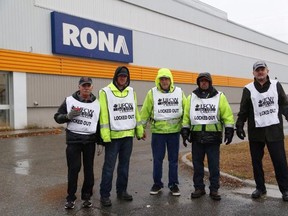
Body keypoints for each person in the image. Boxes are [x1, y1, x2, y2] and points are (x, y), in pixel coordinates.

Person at [236, 60, 288, 201]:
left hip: (274, 131)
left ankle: (285, 189)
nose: (260, 72)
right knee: (256, 162)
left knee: (280, 161)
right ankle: (260, 188)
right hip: (256, 133)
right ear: (253, 72)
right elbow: (243, 110)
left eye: (262, 69)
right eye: (257, 70)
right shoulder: (248, 89)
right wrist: (239, 125)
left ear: (267, 71)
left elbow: (284, 104)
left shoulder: (276, 85)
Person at [181, 72, 234, 201]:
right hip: (197, 138)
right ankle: (199, 188)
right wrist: (185, 130)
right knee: (197, 165)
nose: (204, 83)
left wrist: (229, 130)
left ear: (210, 82)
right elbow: (187, 116)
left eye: (206, 81)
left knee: (214, 166)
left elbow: (227, 114)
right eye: (201, 81)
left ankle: (214, 189)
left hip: (213, 138)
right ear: (198, 83)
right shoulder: (191, 97)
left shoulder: (219, 96)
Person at [99, 66, 144, 207]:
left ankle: (122, 191)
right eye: (120, 76)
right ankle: (104, 195)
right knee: (109, 167)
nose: (123, 79)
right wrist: (105, 136)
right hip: (113, 137)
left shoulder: (131, 92)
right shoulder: (105, 92)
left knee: (124, 166)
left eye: (125, 76)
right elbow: (104, 115)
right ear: (116, 77)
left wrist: (139, 130)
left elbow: (135, 112)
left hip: (128, 136)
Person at [54, 77, 102, 209]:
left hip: (90, 141)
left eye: (88, 85)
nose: (86, 88)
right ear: (79, 87)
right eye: (83, 85)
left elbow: (98, 124)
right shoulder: (69, 100)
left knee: (89, 171)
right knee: (74, 170)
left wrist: (100, 142)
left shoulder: (97, 103)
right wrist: (67, 116)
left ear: (92, 87)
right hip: (73, 140)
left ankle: (86, 197)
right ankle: (70, 198)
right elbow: (57, 117)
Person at [141, 68, 186, 196]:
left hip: (174, 132)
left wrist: (186, 128)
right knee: (157, 159)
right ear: (158, 80)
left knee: (173, 160)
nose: (164, 81)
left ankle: (173, 185)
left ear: (170, 80)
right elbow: (145, 112)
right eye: (162, 79)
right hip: (158, 133)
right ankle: (157, 184)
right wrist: (141, 129)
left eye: (166, 79)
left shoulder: (179, 92)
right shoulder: (152, 93)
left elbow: (186, 110)